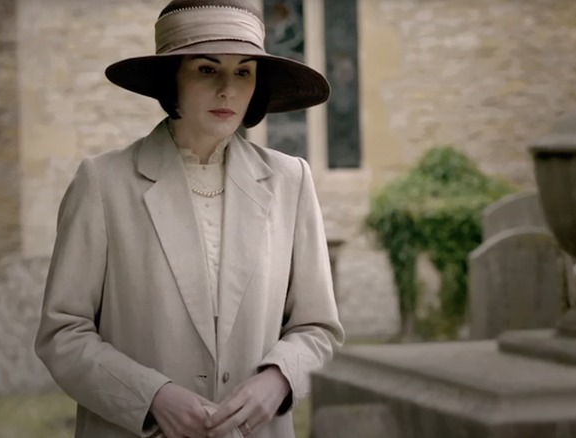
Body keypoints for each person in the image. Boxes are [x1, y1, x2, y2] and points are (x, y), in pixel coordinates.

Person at [34, 0, 344, 437]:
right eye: (206, 69)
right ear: (172, 78)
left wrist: (278, 380)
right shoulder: (103, 183)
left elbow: (318, 328)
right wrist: (152, 396)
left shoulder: (290, 181)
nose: (228, 90)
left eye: (243, 72)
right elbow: (62, 333)